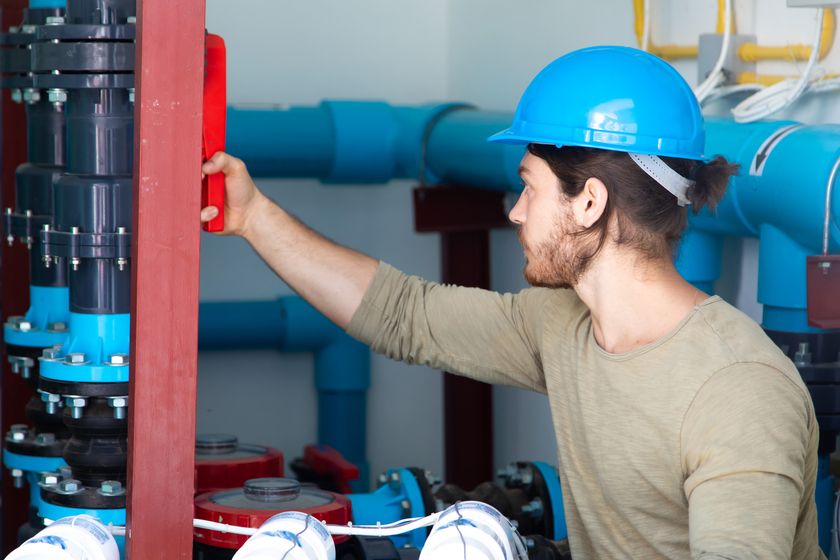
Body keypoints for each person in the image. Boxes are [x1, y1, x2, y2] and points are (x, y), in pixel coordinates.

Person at [200, 46, 822, 559]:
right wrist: (254, 217)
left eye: (528, 188)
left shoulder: (736, 391)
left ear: (589, 203)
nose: (516, 212)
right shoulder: (564, 325)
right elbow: (402, 313)